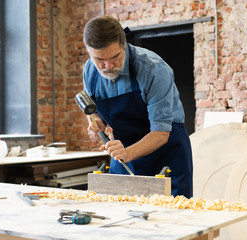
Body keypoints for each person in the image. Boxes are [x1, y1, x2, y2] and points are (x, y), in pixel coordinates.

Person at [82, 16, 193, 198]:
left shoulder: (153, 69)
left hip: (166, 151)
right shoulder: (90, 70)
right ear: (90, 53)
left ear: (124, 44)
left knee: (172, 218)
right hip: (123, 150)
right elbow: (93, 111)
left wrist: (128, 153)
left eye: (115, 57)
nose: (108, 66)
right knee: (118, 213)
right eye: (99, 59)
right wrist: (97, 123)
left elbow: (160, 134)